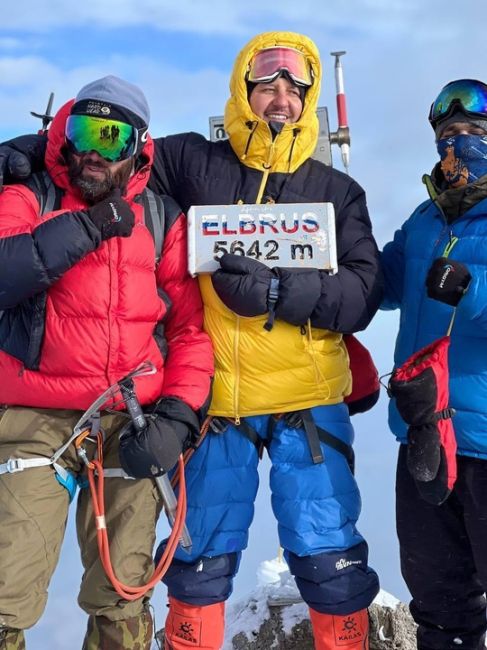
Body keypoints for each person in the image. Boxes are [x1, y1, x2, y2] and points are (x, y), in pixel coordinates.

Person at [0, 32, 382, 650]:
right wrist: (20, 151)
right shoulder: (195, 162)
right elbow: (111, 149)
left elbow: (364, 293)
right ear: (244, 89)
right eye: (266, 84)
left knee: (328, 552)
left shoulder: (337, 191)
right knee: (199, 560)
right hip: (219, 405)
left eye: (294, 87)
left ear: (309, 101)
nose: (279, 98)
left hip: (303, 400)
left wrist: (281, 294)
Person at [0, 75, 213, 649]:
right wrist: (87, 227)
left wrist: (179, 417)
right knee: (5, 586)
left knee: (123, 592)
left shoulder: (164, 218)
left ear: (138, 147)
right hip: (33, 416)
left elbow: (190, 330)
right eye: (84, 130)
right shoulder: (30, 196)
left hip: (130, 420)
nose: (94, 150)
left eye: (112, 136)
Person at [381, 78, 487, 650]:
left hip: (486, 441)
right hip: (425, 437)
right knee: (440, 603)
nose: (458, 144)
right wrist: (326, 261)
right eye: (448, 133)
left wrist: (469, 288)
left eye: (473, 132)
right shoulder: (427, 217)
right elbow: (385, 280)